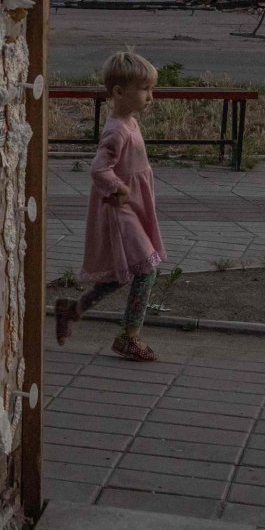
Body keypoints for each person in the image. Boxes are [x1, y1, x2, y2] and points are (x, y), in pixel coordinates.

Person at [55, 49, 166, 362]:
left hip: (132, 205)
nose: (151, 97)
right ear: (119, 92)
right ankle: (129, 336)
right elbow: (98, 169)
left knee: (122, 275)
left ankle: (73, 310)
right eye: (144, 90)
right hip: (121, 210)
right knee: (146, 270)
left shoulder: (129, 122)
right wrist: (117, 188)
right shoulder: (116, 130)